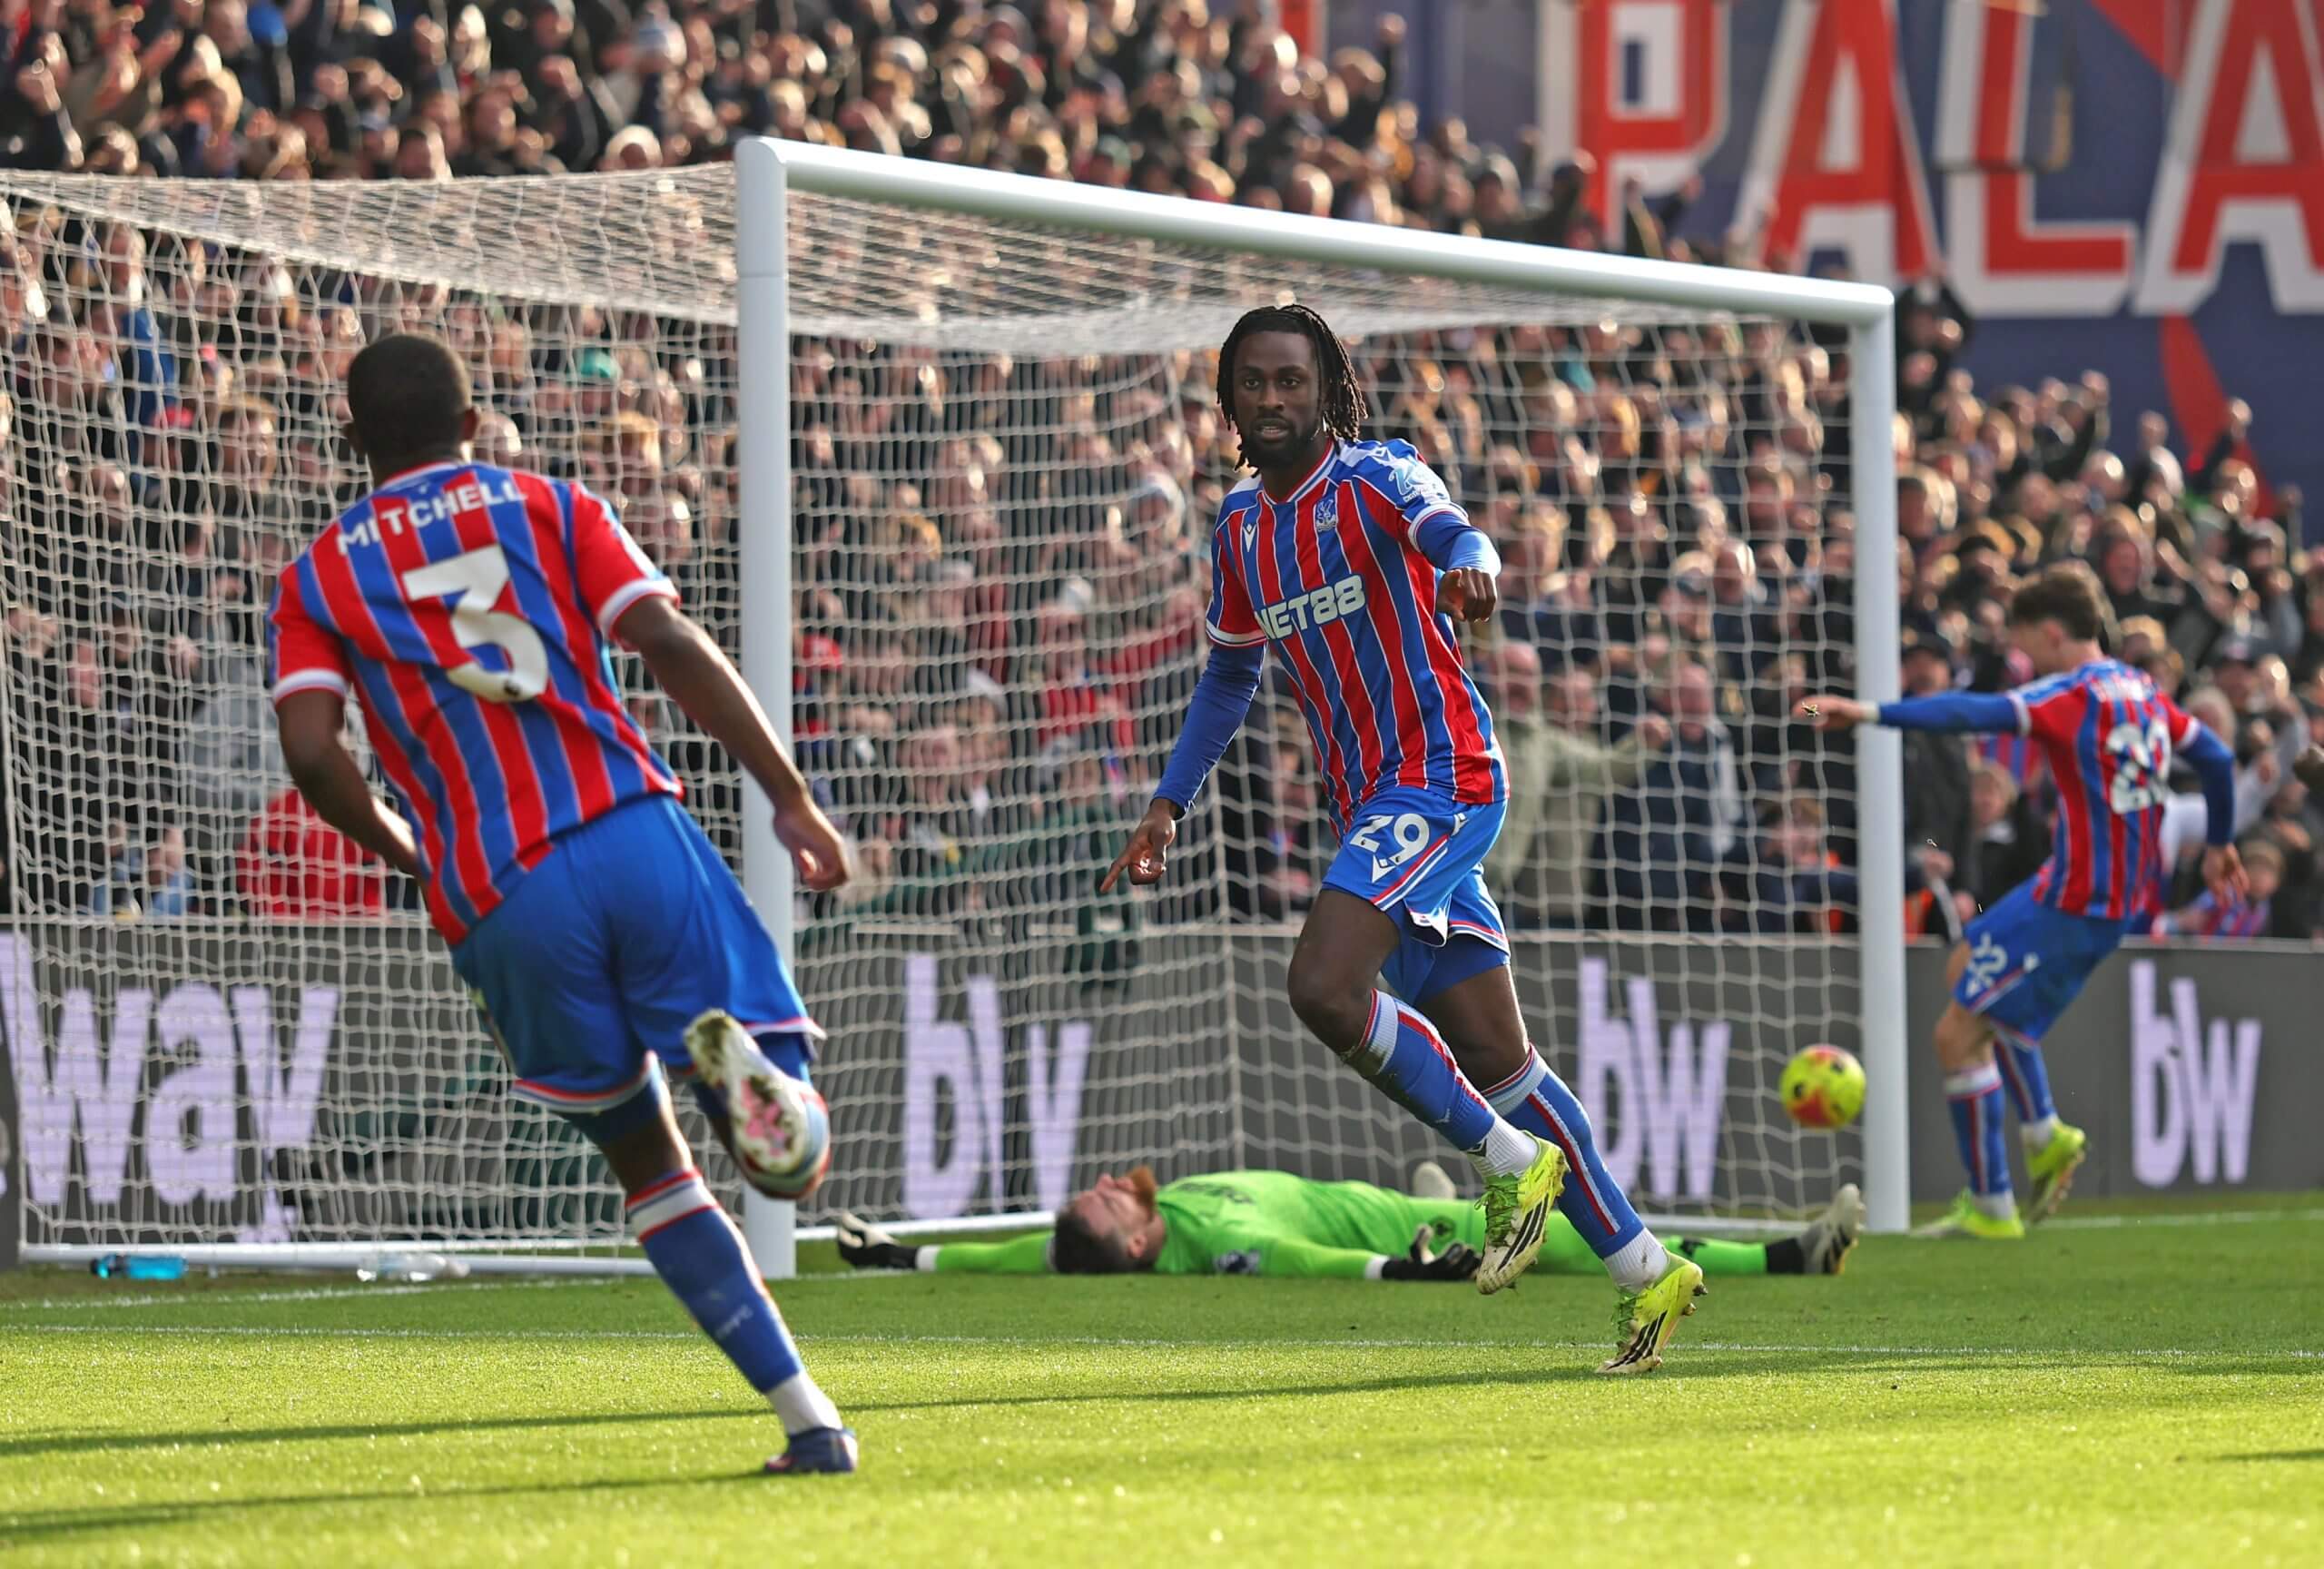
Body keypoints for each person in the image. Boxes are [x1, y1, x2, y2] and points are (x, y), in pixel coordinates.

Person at [265, 333, 859, 1475]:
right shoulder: (552, 503)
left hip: (501, 888)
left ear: (352, 443)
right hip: (631, 824)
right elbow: (669, 642)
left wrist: (407, 849)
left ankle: (809, 1421)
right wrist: (786, 794)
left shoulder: (319, 575)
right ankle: (767, 1102)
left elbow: (313, 754)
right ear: (473, 425)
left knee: (651, 1169)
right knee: (790, 1165)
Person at [1102, 303, 1706, 1374]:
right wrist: (1168, 801)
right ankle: (1645, 1268)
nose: (1273, 399)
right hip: (1373, 805)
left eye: (1292, 380)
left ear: (1324, 389)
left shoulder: (1378, 477)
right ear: (1230, 400)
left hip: (1443, 775)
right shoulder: (1241, 528)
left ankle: (1507, 1163)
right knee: (1499, 1056)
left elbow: (1450, 529)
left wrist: (1474, 566)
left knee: (1324, 987)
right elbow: (1231, 673)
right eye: (1254, 383)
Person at [1798, 564, 2243, 1239]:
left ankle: (2001, 1193)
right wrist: (2218, 842)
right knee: (1967, 966)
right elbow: (2212, 755)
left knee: (1956, 1033)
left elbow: (1968, 713)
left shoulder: (2071, 694)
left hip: (2080, 900)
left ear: (2053, 630)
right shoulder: (2144, 690)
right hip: (2084, 887)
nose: (2022, 657)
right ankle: (2033, 1144)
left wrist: (1869, 713)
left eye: (2026, 641)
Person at [837, 1166, 1866, 1282]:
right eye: (1106, 1203)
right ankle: (1787, 1256)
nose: (1106, 1183)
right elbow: (1299, 1257)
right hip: (1401, 1221)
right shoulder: (1210, 1250)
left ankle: (1426, 1182)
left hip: (1395, 1201)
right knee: (1570, 1227)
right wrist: (1395, 1272)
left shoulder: (1080, 1244)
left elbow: (1017, 1256)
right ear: (1142, 1244)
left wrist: (901, 1251)